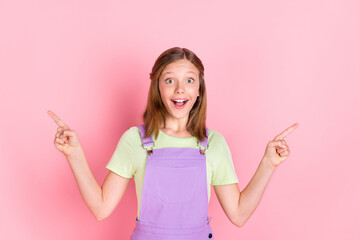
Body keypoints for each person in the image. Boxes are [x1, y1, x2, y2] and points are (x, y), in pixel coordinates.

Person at [48, 47, 299, 240]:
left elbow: (239, 214)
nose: (180, 89)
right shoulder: (134, 141)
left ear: (199, 88)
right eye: (169, 80)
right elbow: (101, 208)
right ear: (157, 87)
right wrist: (74, 154)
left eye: (189, 80)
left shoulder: (214, 143)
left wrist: (268, 164)